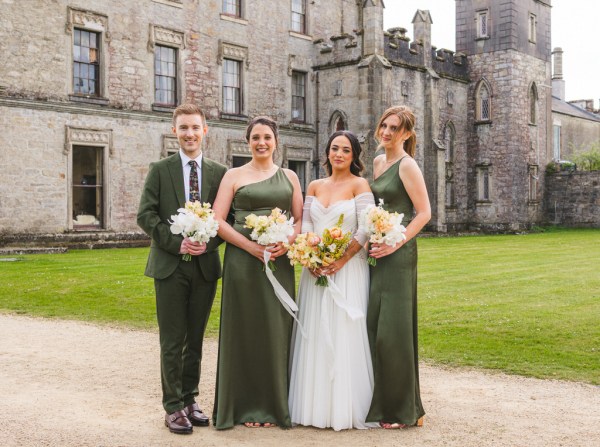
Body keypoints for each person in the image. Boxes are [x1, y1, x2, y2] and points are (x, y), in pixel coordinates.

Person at [137, 104, 227, 434]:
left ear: (205, 131)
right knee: (173, 340)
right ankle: (172, 405)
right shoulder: (160, 170)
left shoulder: (219, 173)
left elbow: (227, 221)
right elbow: (146, 216)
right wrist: (178, 243)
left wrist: (209, 242)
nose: (189, 133)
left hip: (204, 268)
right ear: (174, 131)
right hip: (169, 267)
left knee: (197, 339)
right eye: (183, 128)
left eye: (195, 128)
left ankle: (190, 398)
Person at [212, 116, 303, 429]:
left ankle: (273, 405)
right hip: (243, 263)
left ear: (276, 141)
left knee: (276, 330)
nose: (261, 143)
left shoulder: (290, 176)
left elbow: (301, 220)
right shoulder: (233, 175)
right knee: (245, 329)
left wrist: (287, 240)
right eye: (256, 138)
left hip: (279, 261)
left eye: (267, 137)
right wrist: (250, 248)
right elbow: (219, 220)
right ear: (247, 142)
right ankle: (244, 406)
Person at [288, 130, 377, 431]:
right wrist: (310, 258)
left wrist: (340, 260)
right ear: (327, 152)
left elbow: (365, 230)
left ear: (354, 156)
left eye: (346, 150)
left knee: (343, 330)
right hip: (315, 272)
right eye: (334, 148)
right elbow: (307, 225)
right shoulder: (314, 185)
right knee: (313, 330)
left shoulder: (359, 184)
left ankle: (345, 407)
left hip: (349, 270)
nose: (339, 154)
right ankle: (313, 406)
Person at [365, 105, 431, 429]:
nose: (387, 132)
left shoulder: (408, 165)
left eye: (394, 128)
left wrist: (396, 241)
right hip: (377, 252)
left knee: (394, 331)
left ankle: (402, 409)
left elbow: (424, 213)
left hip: (399, 254)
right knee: (375, 327)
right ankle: (385, 401)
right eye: (384, 126)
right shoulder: (378, 162)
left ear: (406, 133)